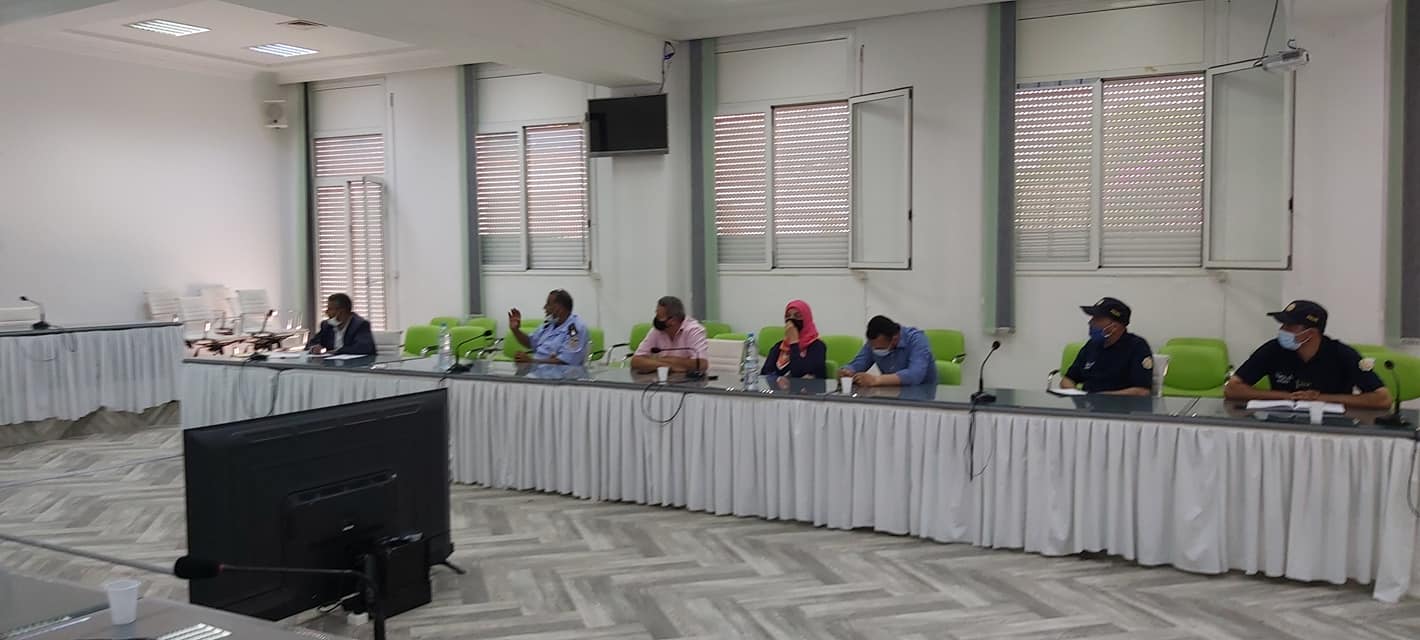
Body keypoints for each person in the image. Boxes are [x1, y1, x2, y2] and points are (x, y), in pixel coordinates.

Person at [1224, 300, 1392, 410]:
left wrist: (1320, 399)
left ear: (1311, 333)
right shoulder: (1273, 349)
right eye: (1282, 325)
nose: (1282, 330)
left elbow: (1382, 399)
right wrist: (1288, 397)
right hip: (1281, 423)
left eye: (1289, 326)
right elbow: (1232, 388)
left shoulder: (1342, 354)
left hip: (1333, 427)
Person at [1061, 297, 1153, 396]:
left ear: (1114, 327)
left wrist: (1100, 398)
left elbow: (1142, 391)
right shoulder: (1092, 345)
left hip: (1121, 404)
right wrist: (1078, 395)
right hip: (1088, 403)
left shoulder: (1137, 347)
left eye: (1097, 319)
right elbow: (1067, 380)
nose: (1090, 323)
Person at [837, 315, 936, 387]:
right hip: (889, 393)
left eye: (879, 348)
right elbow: (858, 364)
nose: (875, 350)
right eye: (873, 347)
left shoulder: (917, 340)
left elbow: (915, 375)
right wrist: (846, 371)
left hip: (922, 396)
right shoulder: (875, 342)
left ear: (895, 339)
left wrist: (876, 380)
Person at [508, 289, 590, 366]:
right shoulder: (549, 324)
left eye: (548, 304)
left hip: (561, 374)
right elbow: (530, 343)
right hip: (538, 371)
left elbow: (567, 361)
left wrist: (532, 361)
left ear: (559, 308)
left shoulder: (575, 329)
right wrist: (516, 330)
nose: (545, 308)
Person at [631, 296, 708, 374]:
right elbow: (635, 361)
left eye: (659, 317)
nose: (656, 319)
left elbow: (701, 364)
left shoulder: (694, 330)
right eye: (656, 314)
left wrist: (654, 361)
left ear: (673, 320)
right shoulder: (657, 330)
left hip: (688, 379)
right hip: (662, 378)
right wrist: (668, 366)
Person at [761, 300, 827, 378]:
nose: (791, 320)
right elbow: (764, 373)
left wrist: (794, 343)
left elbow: (798, 373)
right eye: (788, 316)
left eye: (797, 316)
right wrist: (778, 380)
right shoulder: (779, 346)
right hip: (778, 386)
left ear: (807, 320)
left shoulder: (817, 346)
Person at [305, 293, 375, 356]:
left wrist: (337, 351)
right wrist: (314, 347)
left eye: (330, 309)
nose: (326, 312)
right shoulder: (326, 325)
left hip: (356, 364)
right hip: (331, 364)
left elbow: (364, 348)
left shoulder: (360, 325)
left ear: (341, 311)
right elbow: (311, 344)